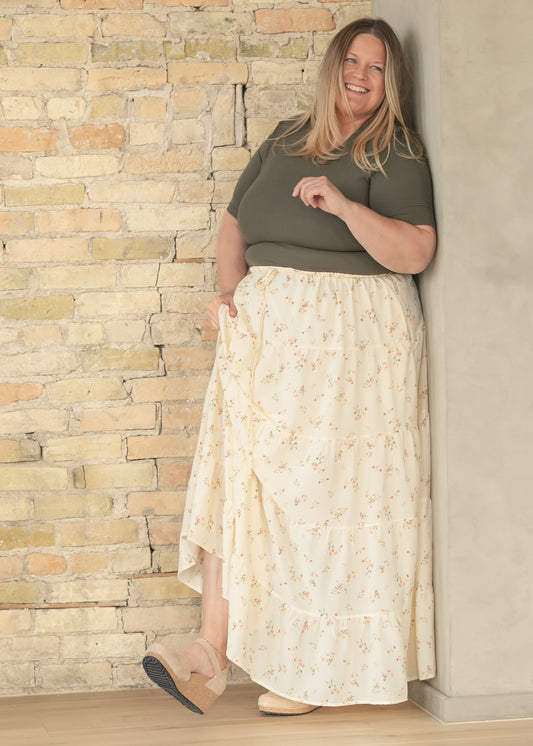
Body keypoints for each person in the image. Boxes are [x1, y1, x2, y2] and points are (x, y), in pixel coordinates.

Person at [143, 17, 436, 717]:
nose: (360, 76)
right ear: (332, 65)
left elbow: (415, 251)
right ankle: (209, 652)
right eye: (351, 61)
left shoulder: (393, 150)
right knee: (238, 479)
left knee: (319, 502)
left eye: (376, 67)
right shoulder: (284, 138)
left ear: (390, 82)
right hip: (264, 334)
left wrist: (342, 204)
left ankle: (315, 670)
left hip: (346, 345)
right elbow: (235, 225)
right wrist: (228, 293)